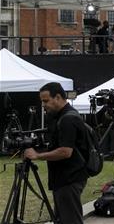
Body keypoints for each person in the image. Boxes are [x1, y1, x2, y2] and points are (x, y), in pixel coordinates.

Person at [23, 82, 90, 223]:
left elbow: (65, 152)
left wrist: (37, 155)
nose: (43, 105)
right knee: (62, 219)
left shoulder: (68, 119)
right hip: (64, 178)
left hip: (69, 178)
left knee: (70, 220)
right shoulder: (61, 116)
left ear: (58, 97)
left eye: (46, 101)